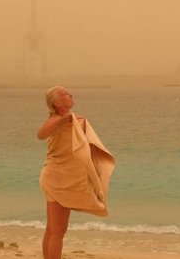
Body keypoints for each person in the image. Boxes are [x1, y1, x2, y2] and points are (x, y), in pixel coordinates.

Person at [36, 86, 115, 259]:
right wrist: (64, 120)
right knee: (58, 231)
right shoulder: (56, 119)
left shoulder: (72, 120)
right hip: (58, 179)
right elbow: (41, 134)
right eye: (65, 94)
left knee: (52, 229)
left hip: (60, 178)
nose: (70, 94)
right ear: (57, 102)